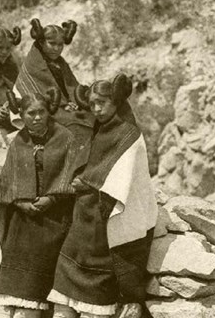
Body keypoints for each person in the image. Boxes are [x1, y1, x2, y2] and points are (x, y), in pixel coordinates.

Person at [48, 74, 157, 318]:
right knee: (68, 266)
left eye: (102, 103)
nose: (96, 109)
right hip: (86, 214)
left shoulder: (129, 134)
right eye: (93, 103)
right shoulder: (98, 128)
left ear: (116, 102)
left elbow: (124, 176)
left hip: (109, 214)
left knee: (98, 275)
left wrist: (87, 183)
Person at [0, 89, 78, 318]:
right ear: (22, 114)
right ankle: (14, 306)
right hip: (25, 213)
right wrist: (20, 202)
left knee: (43, 251)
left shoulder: (65, 137)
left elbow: (70, 173)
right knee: (15, 245)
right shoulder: (19, 141)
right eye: (31, 113)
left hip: (55, 214)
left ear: (48, 112)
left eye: (41, 112)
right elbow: (8, 177)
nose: (37, 117)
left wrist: (52, 197)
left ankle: (34, 308)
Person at [15, 18, 94, 148]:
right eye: (52, 44)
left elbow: (71, 84)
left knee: (92, 113)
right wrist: (63, 105)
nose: (57, 49)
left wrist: (75, 100)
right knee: (72, 122)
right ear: (41, 42)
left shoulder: (60, 62)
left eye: (60, 45)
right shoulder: (34, 63)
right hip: (47, 106)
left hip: (65, 103)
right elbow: (41, 91)